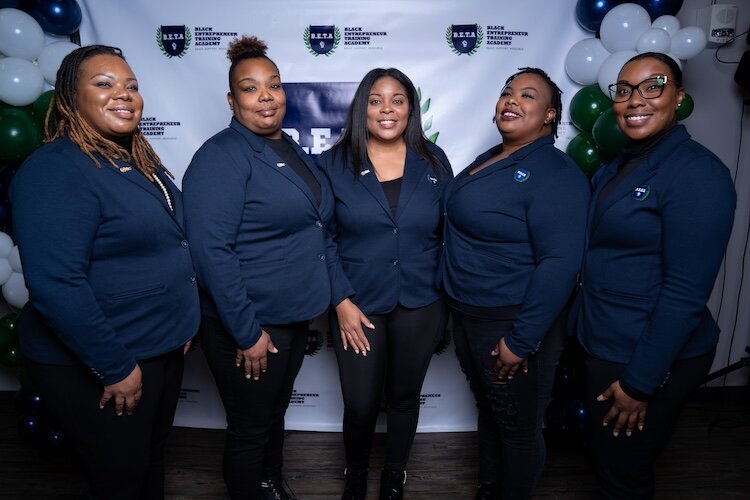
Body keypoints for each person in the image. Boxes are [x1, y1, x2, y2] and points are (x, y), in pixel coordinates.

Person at [10, 44, 200, 500]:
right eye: (104, 84)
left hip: (155, 346)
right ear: (70, 99)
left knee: (148, 460)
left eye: (132, 86)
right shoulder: (56, 169)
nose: (124, 94)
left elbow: (164, 243)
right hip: (105, 358)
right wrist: (114, 366)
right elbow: (57, 285)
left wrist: (178, 323)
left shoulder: (135, 159)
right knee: (120, 477)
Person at [573, 52, 736, 499]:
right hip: (606, 338)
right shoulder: (617, 164)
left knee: (622, 474)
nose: (634, 100)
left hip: (645, 354)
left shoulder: (698, 173)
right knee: (608, 462)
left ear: (679, 97)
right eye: (623, 91)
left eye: (652, 85)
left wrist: (640, 382)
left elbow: (685, 293)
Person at [182, 36, 332, 500]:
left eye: (274, 85)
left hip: (288, 317)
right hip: (247, 322)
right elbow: (211, 252)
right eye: (250, 88)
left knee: (271, 415)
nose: (266, 96)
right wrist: (246, 333)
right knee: (250, 428)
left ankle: (270, 484)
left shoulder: (287, 146)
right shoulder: (221, 156)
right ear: (232, 100)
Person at [440, 67, 590, 500]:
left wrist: (522, 342)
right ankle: (490, 488)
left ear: (549, 116)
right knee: (492, 412)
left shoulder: (555, 173)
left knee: (519, 427)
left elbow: (560, 264)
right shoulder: (495, 155)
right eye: (507, 92)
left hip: (510, 321)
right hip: (470, 313)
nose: (512, 100)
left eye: (528, 95)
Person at [319, 67, 453, 500]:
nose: (387, 109)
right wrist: (339, 299)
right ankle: (355, 472)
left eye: (397, 99)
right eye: (376, 100)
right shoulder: (334, 164)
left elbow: (449, 229)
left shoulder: (434, 160)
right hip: (358, 304)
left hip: (421, 300)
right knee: (360, 404)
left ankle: (395, 475)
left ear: (410, 108)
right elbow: (322, 238)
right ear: (363, 108)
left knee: (404, 395)